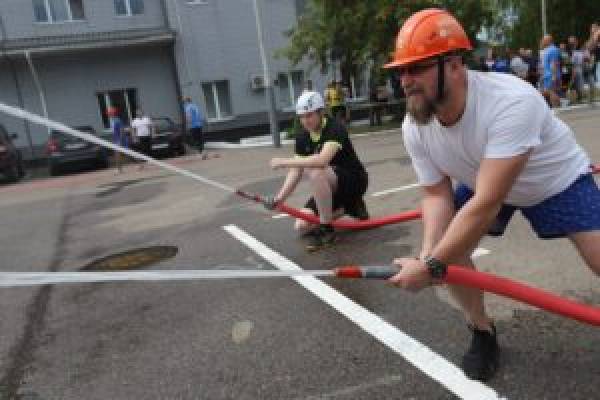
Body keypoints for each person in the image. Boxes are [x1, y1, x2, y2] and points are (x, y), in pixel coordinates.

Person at [383, 8, 600, 382]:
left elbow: (485, 204)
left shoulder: (511, 101)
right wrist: (430, 255)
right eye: (401, 71)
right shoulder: (414, 125)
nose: (405, 81)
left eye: (416, 68)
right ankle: (482, 331)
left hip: (556, 181)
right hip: (486, 180)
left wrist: (431, 265)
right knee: (451, 249)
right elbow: (436, 196)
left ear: (452, 64)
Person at [265, 91, 369, 251]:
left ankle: (327, 229)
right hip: (329, 187)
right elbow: (295, 171)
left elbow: (321, 161)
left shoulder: (335, 127)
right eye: (302, 116)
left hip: (353, 181)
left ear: (321, 112)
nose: (305, 120)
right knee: (302, 226)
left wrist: (283, 161)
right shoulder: (302, 137)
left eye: (309, 115)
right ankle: (350, 207)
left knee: (315, 169)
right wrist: (280, 199)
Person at [541, 34, 561, 107]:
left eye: (543, 40)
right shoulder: (547, 50)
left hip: (551, 75)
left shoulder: (553, 50)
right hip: (547, 76)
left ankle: (557, 109)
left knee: (552, 93)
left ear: (548, 41)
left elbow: (554, 64)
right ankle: (552, 108)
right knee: (546, 93)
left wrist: (554, 77)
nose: (542, 41)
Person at [108, 106, 127, 174]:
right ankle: (119, 169)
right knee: (116, 155)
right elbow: (114, 132)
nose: (109, 115)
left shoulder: (118, 120)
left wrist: (120, 140)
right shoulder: (112, 121)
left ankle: (140, 163)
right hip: (116, 140)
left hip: (121, 140)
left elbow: (122, 130)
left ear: (113, 113)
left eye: (110, 113)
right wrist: (113, 140)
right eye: (109, 113)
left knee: (128, 153)